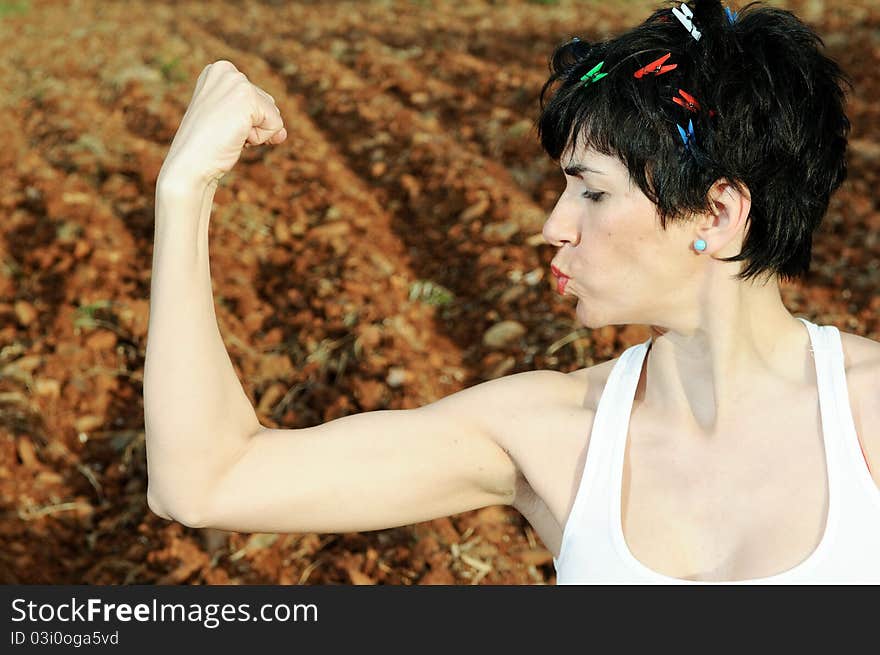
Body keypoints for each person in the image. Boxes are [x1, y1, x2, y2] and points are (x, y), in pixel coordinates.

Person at [143, 0, 880, 584]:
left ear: (718, 214)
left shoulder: (868, 419)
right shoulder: (548, 434)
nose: (553, 226)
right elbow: (205, 480)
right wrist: (184, 193)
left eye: (590, 192)